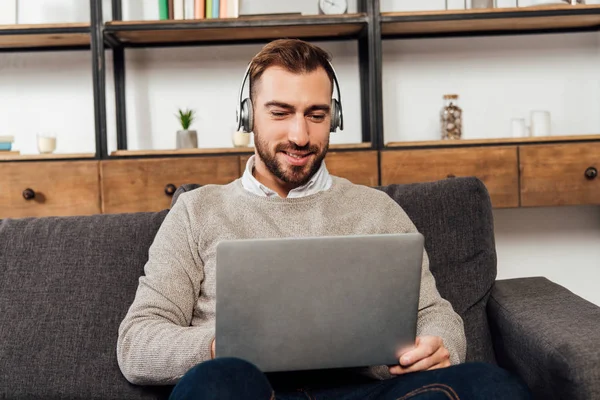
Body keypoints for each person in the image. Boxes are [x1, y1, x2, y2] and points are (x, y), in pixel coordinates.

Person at [116, 38, 531, 400]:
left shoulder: (377, 210)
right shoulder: (197, 211)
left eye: (316, 115)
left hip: (368, 391)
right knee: (220, 382)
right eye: (280, 113)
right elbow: (138, 342)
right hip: (251, 390)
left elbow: (433, 312)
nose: (300, 135)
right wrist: (216, 348)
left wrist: (441, 344)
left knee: (490, 385)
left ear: (333, 118)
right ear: (249, 117)